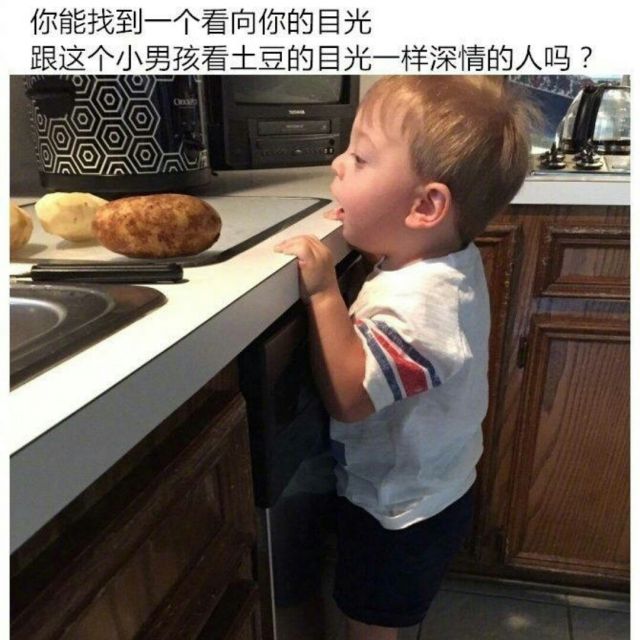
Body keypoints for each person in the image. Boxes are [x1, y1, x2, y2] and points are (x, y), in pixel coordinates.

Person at [275, 76, 538, 640]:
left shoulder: (423, 306)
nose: (338, 163)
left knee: (370, 624)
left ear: (425, 206)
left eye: (360, 157)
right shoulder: (437, 261)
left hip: (401, 512)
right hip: (422, 489)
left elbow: (350, 398)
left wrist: (323, 291)